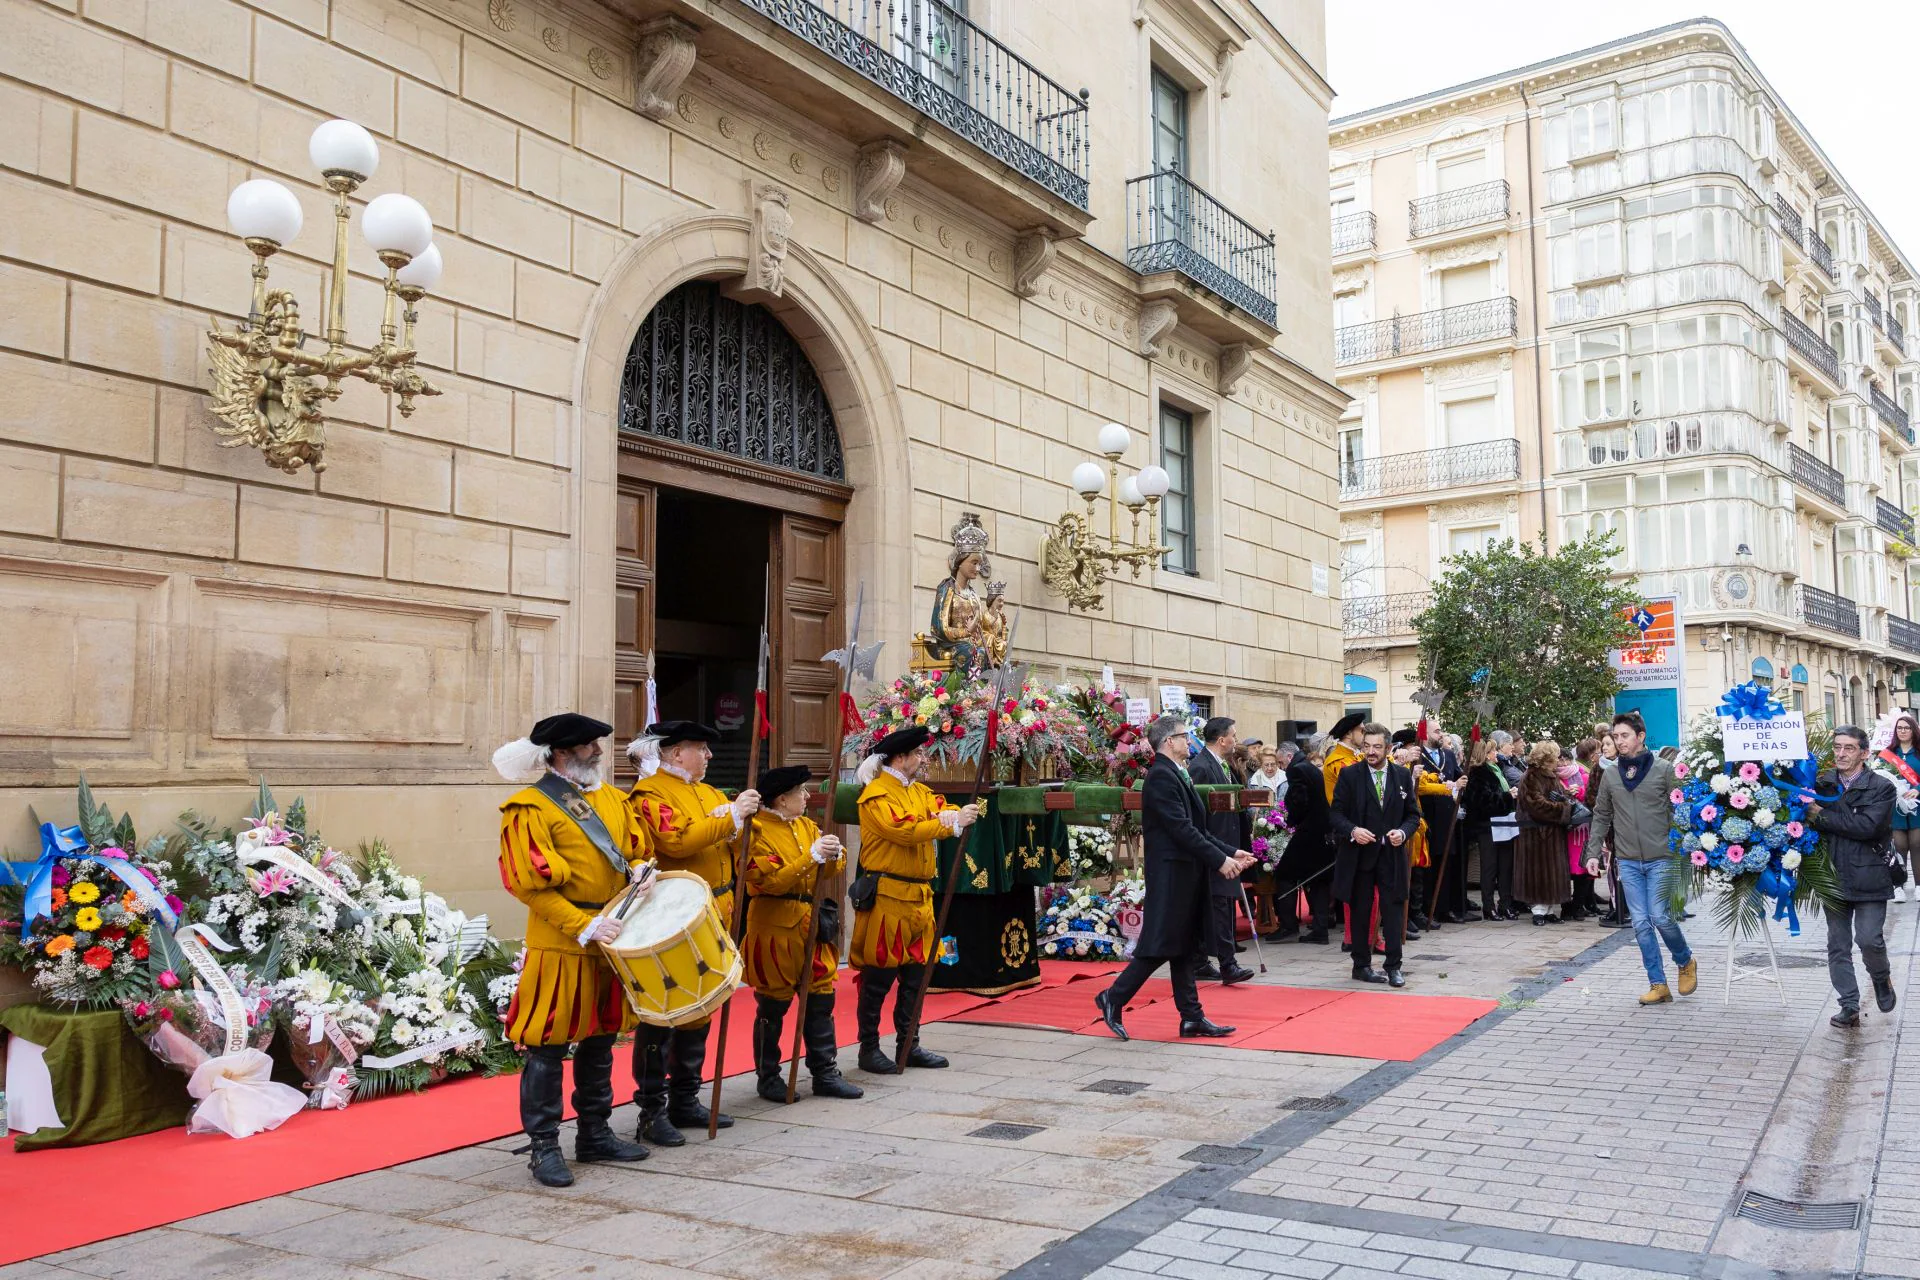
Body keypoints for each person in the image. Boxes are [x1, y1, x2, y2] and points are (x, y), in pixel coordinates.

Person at [491, 713, 654, 1187]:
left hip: (611, 934)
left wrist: (642, 872)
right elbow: (530, 887)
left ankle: (595, 1134)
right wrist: (584, 925)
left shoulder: (616, 800)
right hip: (563, 942)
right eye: (589, 746)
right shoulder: (530, 809)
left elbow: (636, 849)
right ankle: (543, 1148)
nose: (599, 753)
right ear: (561, 753)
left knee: (601, 1038)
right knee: (547, 1047)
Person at [624, 720, 760, 1146]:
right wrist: (731, 816)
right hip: (674, 916)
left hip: (714, 907)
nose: (709, 755)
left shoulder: (708, 792)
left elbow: (724, 844)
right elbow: (678, 841)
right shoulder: (650, 794)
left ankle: (686, 1098)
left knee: (700, 1009)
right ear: (675, 752)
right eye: (700, 748)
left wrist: (741, 823)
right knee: (665, 1012)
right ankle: (652, 1108)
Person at [1093, 716, 1257, 1040]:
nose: (1190, 741)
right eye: (1185, 736)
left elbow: (1196, 828)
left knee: (1182, 947)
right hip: (1171, 877)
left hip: (1185, 874)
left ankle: (1192, 1017)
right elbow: (1181, 831)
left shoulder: (1175, 773)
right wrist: (1220, 861)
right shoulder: (1160, 778)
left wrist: (1230, 852)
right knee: (1160, 947)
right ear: (1170, 742)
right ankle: (1113, 996)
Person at [850, 725, 979, 1072]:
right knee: (878, 979)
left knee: (916, 978)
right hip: (889, 897)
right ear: (901, 757)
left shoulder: (919, 791)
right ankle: (869, 1048)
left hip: (920, 897)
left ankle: (910, 1043)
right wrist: (948, 824)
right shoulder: (876, 795)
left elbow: (939, 807)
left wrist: (954, 814)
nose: (923, 759)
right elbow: (904, 829)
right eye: (919, 754)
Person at [743, 764, 862, 1103]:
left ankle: (825, 1072)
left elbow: (830, 871)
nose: (808, 797)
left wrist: (833, 854)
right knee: (773, 1005)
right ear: (782, 798)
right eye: (801, 792)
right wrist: (811, 856)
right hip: (774, 924)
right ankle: (768, 1078)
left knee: (822, 998)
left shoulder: (807, 825)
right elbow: (771, 880)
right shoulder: (755, 831)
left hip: (811, 922)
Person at [1589, 711, 1695, 1005]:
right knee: (1640, 922)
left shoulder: (1663, 770)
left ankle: (1685, 960)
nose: (1619, 741)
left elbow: (1681, 811)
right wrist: (1593, 851)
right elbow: (1601, 815)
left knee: (1660, 916)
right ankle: (1658, 984)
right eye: (1616, 736)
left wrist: (1685, 848)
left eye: (1625, 736)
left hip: (1662, 856)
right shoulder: (1611, 774)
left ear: (1641, 737)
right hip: (1628, 859)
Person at [1808, 726, 1899, 1027]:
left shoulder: (1882, 787)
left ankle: (1881, 978)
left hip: (1869, 875)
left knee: (1869, 939)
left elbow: (1867, 828)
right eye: (1837, 747)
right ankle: (1849, 1003)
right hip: (1832, 875)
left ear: (1864, 753)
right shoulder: (1821, 784)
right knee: (1838, 945)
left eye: (1848, 748)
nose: (1841, 754)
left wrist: (1820, 816)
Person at [1329, 723, 1421, 987]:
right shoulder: (1350, 775)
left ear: (1388, 748)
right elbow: (1335, 814)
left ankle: (1394, 966)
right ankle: (1361, 965)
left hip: (1391, 855)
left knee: (1393, 910)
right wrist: (1353, 830)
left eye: (1377, 747)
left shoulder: (1402, 776)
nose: (1370, 751)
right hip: (1359, 855)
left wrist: (1403, 833)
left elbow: (1413, 815)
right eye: (1366, 746)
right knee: (1361, 910)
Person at [1186, 716, 1256, 985]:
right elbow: (1198, 814)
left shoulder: (1222, 764)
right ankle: (1228, 965)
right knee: (1220, 908)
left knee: (1219, 905)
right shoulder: (1201, 767)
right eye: (1234, 736)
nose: (1236, 740)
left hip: (1227, 844)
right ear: (1222, 739)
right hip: (1213, 848)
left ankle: (1200, 960)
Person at [1278, 734, 1335, 945]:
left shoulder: (1297, 769)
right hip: (1322, 831)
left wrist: (1291, 820)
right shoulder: (1308, 767)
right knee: (1319, 881)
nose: (1281, 767)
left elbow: (1299, 800)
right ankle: (1320, 929)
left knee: (1284, 874)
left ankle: (1288, 926)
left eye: (1281, 762)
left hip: (1308, 832)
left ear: (1289, 756)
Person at [1514, 741, 1578, 926]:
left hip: (1552, 833)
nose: (1558, 760)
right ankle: (1538, 910)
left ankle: (1549, 909)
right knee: (1539, 872)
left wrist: (1566, 801)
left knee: (1552, 873)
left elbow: (1557, 798)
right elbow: (1536, 805)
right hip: (1536, 834)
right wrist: (1564, 808)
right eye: (1555, 756)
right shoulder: (1531, 776)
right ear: (1547, 758)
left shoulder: (1551, 776)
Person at [1881, 713, 1920, 903]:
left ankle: (1919, 886)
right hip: (1895, 807)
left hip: (1917, 807)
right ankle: (1898, 886)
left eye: (1906, 728)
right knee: (1899, 846)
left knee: (1917, 844)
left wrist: (1918, 790)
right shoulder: (1888, 753)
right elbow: (1878, 776)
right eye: (1899, 728)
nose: (1903, 731)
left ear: (1913, 730)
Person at [1563, 739, 1600, 920]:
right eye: (1559, 760)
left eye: (1566, 759)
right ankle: (1568, 906)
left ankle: (1580, 905)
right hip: (1566, 830)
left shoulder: (1584, 775)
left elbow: (1592, 797)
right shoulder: (1554, 779)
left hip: (1583, 829)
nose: (1563, 763)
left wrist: (1579, 793)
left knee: (1583, 868)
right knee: (1567, 869)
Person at [1323, 713, 1366, 803]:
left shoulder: (1356, 756)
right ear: (1349, 733)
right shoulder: (1337, 761)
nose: (1365, 735)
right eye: (1362, 731)